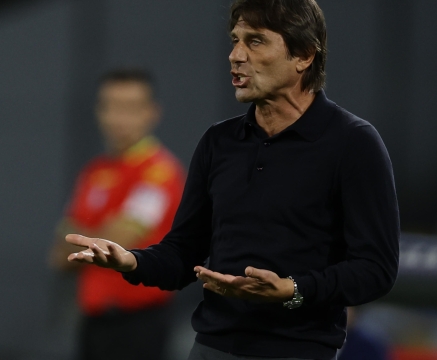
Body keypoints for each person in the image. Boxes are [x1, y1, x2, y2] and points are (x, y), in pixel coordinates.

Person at [64, 1, 400, 360]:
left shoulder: (353, 143)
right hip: (211, 347)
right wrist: (132, 261)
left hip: (298, 351)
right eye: (235, 40)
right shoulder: (218, 142)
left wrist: (293, 289)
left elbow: (375, 269)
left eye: (255, 41)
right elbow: (183, 252)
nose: (235, 55)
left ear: (303, 55)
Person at [49, 69, 186, 360]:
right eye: (111, 106)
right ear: (100, 111)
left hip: (139, 323)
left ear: (152, 113)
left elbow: (118, 240)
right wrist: (94, 234)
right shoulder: (93, 173)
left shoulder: (160, 173)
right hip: (93, 320)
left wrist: (84, 234)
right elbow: (59, 254)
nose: (119, 118)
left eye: (130, 108)